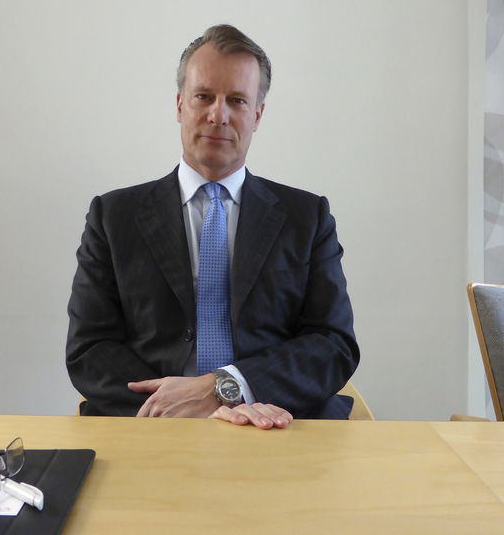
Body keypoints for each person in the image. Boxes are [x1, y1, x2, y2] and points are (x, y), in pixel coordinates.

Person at [66, 24, 359, 429]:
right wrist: (174, 403)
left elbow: (333, 344)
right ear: (179, 105)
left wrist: (227, 387)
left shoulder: (306, 217)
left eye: (236, 100)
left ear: (256, 115)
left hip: (274, 423)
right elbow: (89, 349)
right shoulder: (113, 216)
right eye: (203, 96)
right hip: (152, 428)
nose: (217, 114)